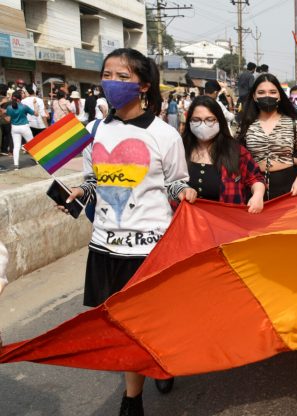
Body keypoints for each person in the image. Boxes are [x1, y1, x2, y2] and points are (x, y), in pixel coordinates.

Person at [57, 48, 193, 416]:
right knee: (120, 327)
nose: (111, 83)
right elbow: (91, 179)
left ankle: (149, 376)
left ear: (143, 86)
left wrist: (186, 192)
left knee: (149, 323)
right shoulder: (93, 130)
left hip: (150, 249)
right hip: (104, 245)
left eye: (122, 76)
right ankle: (136, 389)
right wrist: (79, 192)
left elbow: (175, 183)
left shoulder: (165, 135)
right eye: (107, 75)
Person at [237, 73, 297, 200]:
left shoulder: (292, 123)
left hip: (289, 185)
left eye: (272, 92)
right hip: (254, 187)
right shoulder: (245, 124)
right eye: (261, 92)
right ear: (254, 96)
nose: (267, 96)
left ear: (279, 96)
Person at [183, 96, 265, 210]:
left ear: (219, 121)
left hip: (226, 222)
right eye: (196, 120)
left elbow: (255, 178)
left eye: (210, 119)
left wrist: (258, 195)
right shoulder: (179, 150)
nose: (203, 125)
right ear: (189, 122)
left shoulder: (235, 151)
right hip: (188, 222)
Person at [5, 90, 38, 169]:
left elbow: (8, 120)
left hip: (14, 128)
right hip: (24, 127)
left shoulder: (9, 108)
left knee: (16, 146)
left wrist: (3, 114)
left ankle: (16, 165)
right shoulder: (24, 106)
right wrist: (35, 104)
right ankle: (38, 160)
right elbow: (36, 114)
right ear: (20, 99)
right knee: (32, 144)